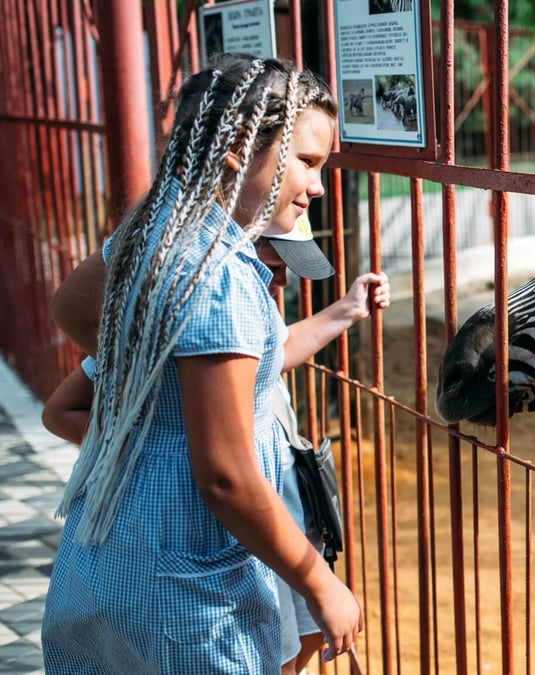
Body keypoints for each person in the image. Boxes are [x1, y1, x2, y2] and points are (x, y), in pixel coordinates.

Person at [41, 53, 368, 673]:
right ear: (239, 148)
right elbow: (225, 477)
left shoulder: (153, 232)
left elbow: (70, 307)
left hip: (104, 560)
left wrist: (156, 382)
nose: (319, 186)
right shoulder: (221, 273)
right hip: (186, 596)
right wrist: (321, 585)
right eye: (306, 161)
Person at [42, 235, 389, 674]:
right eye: (273, 264)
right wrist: (160, 447)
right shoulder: (185, 327)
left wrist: (347, 310)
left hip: (274, 518)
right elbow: (62, 409)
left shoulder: (243, 316)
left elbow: (277, 351)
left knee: (296, 643)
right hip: (234, 529)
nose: (279, 280)